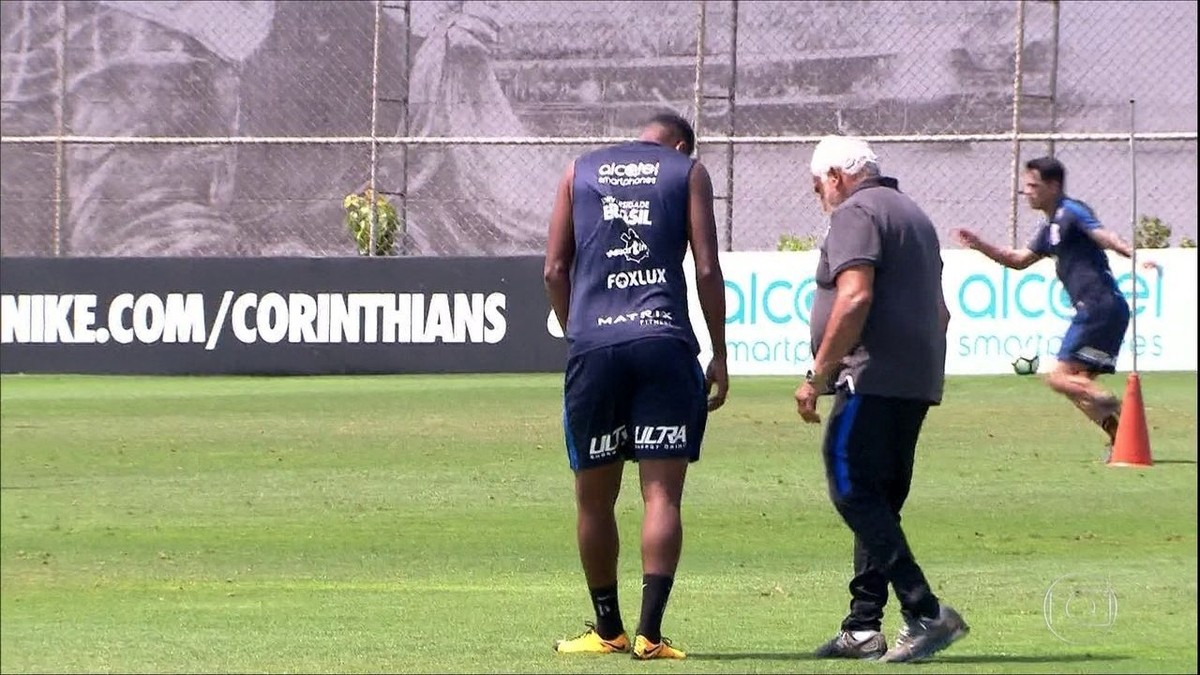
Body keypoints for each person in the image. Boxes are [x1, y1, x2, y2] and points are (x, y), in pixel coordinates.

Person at [544, 112, 728, 661]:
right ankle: (649, 635)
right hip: (664, 343)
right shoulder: (687, 171)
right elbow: (708, 270)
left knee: (594, 497)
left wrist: (578, 333)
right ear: (678, 143)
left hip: (595, 346)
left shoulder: (579, 171)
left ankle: (608, 630)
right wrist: (718, 351)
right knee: (662, 493)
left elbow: (555, 269)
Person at [796, 135, 969, 663]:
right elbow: (940, 313)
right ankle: (863, 626)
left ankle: (925, 610)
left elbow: (854, 295)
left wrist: (819, 373)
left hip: (869, 377)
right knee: (879, 501)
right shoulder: (913, 216)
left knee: (850, 487)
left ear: (836, 176)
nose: (819, 195)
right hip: (914, 381)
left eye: (818, 184)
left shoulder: (857, 211)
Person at [952, 157, 1150, 449]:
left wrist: (1125, 249)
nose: (1027, 192)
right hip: (1108, 309)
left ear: (1053, 185)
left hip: (1096, 308)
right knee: (1075, 386)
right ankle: (1119, 437)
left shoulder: (1071, 212)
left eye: (1033, 185)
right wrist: (981, 245)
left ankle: (1109, 401)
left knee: (1057, 379)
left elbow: (1101, 233)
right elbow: (1018, 261)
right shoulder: (1051, 227)